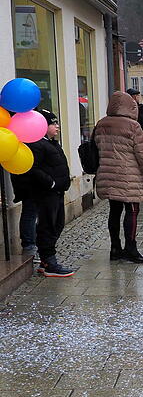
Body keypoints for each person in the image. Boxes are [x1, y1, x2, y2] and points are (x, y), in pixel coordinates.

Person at [94, 92, 143, 263]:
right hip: (128, 176)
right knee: (132, 211)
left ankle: (115, 248)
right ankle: (131, 248)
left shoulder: (101, 124)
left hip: (107, 174)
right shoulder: (132, 126)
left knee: (114, 211)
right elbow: (142, 154)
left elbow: (95, 147)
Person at [10, 110, 74, 276]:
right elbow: (33, 168)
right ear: (42, 126)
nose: (57, 126)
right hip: (47, 193)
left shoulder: (51, 142)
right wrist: (51, 183)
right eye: (53, 123)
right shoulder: (37, 144)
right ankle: (48, 261)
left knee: (57, 224)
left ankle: (47, 258)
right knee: (47, 226)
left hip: (57, 192)